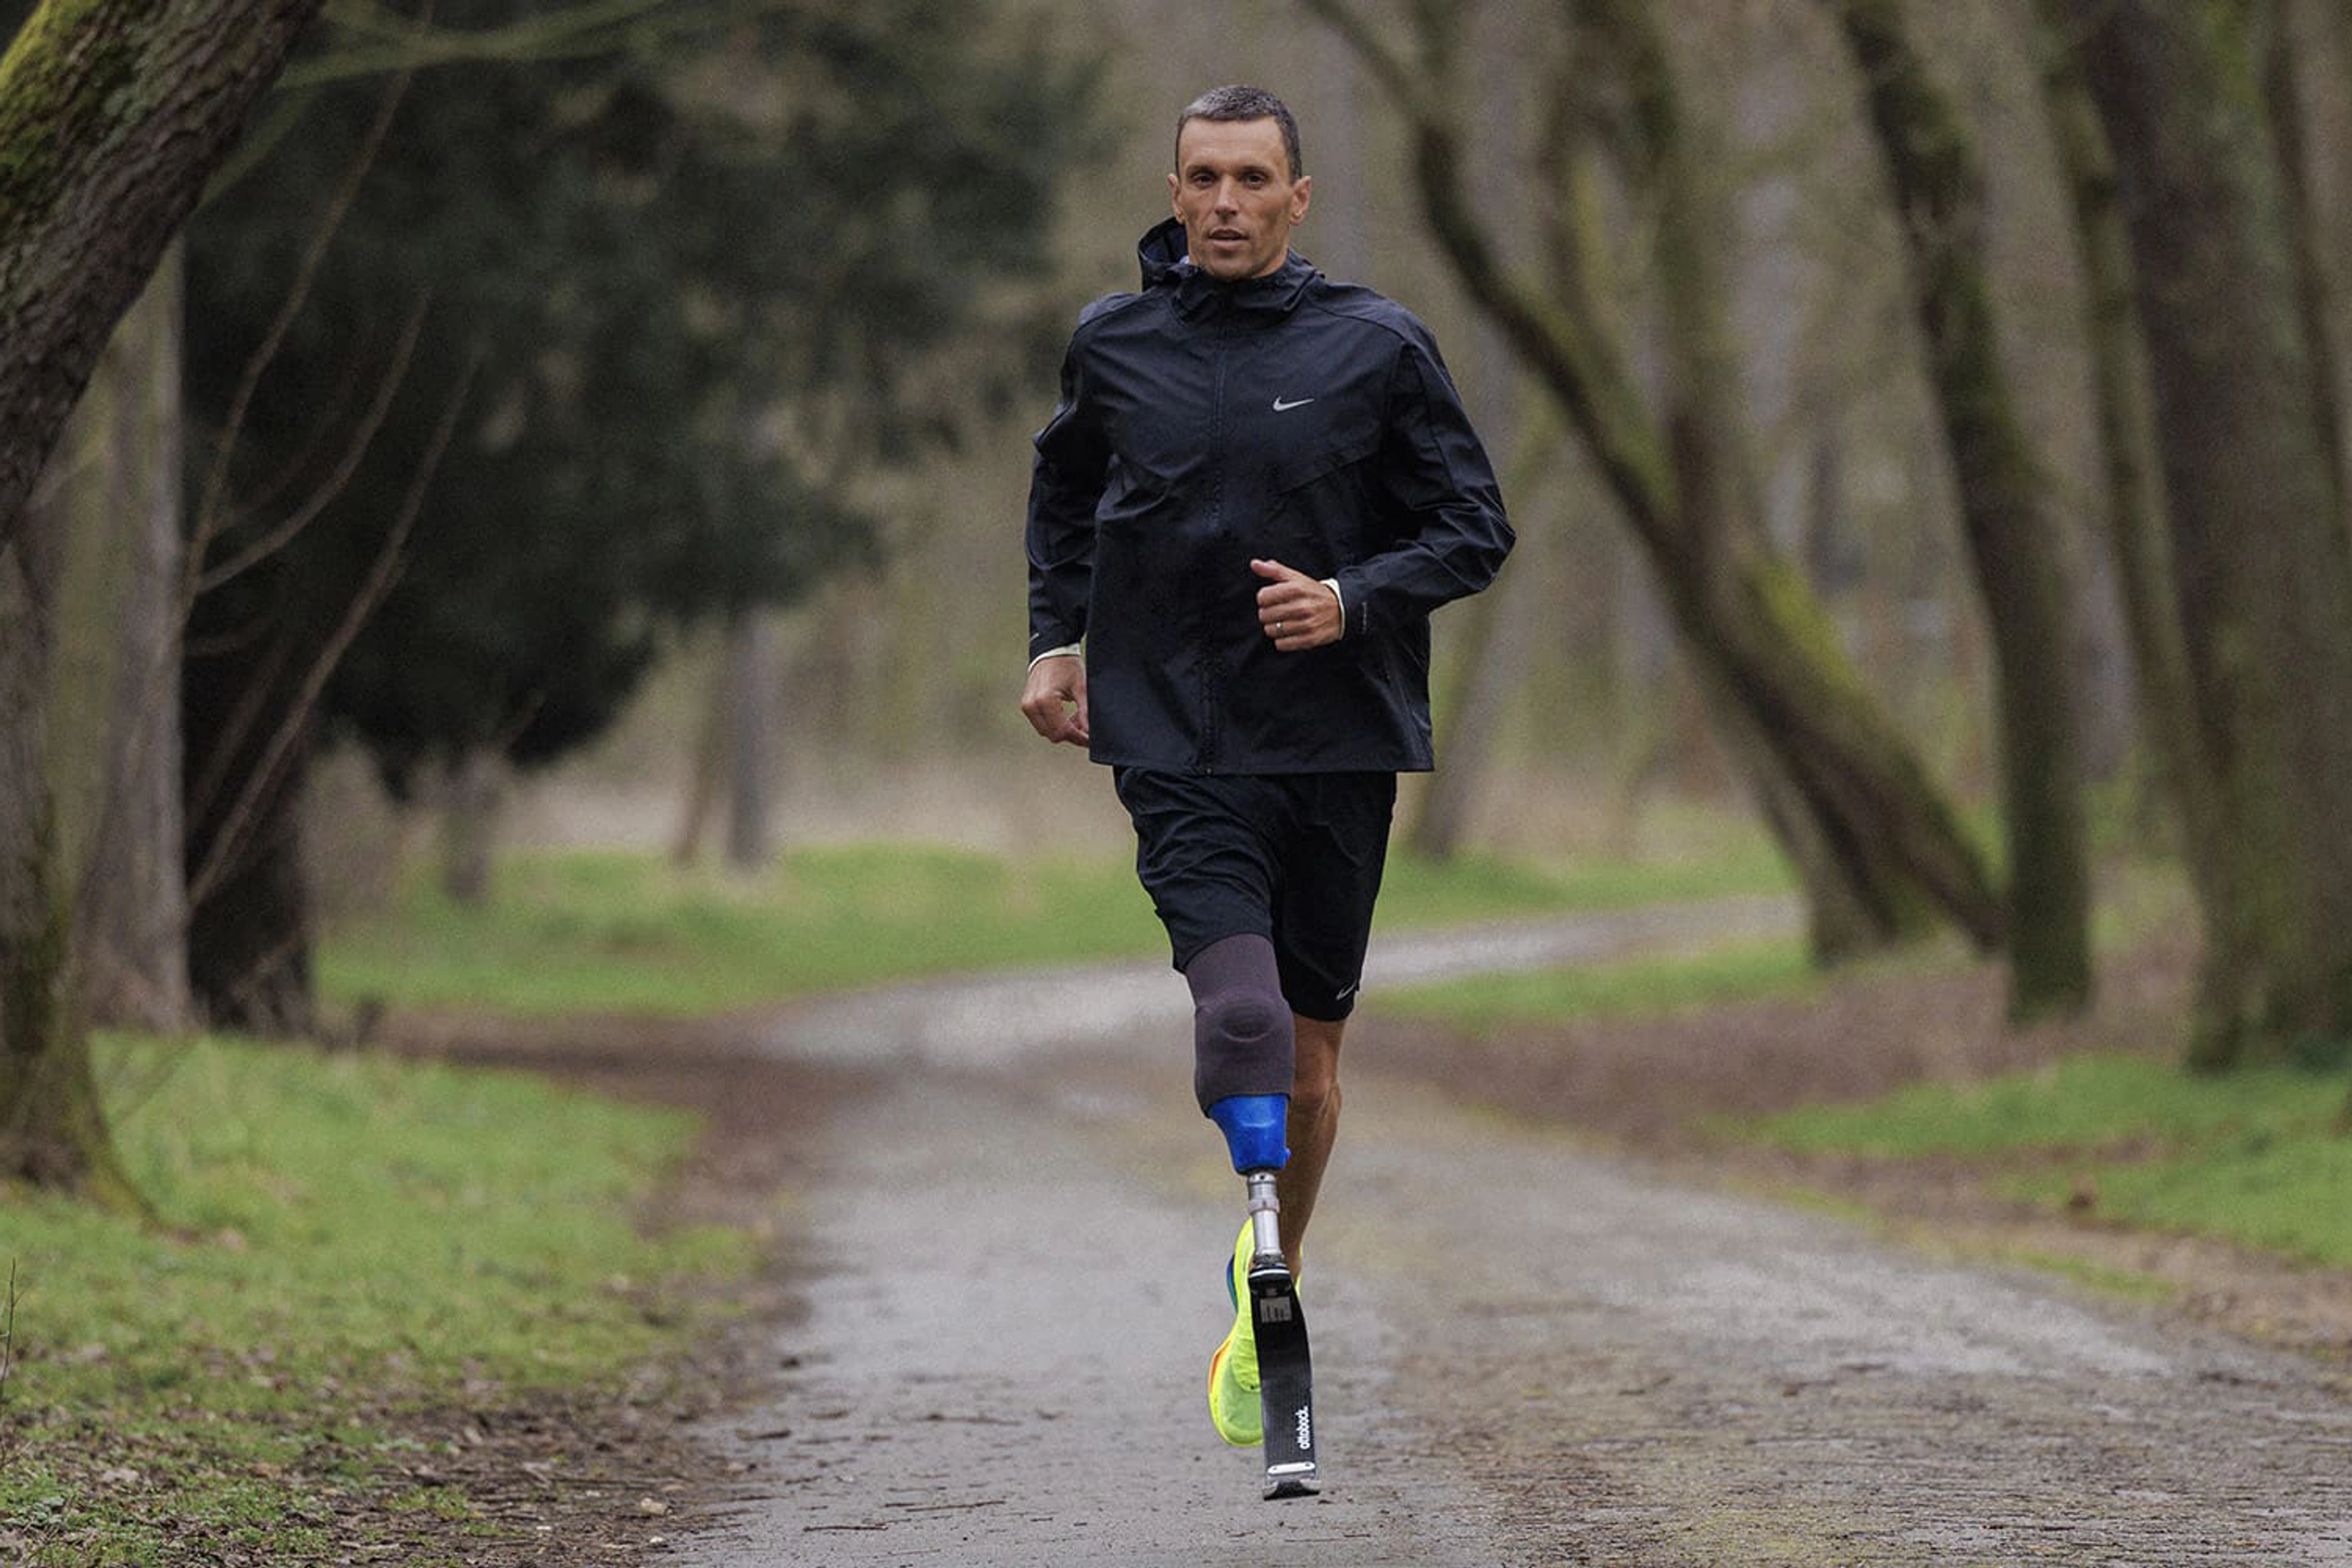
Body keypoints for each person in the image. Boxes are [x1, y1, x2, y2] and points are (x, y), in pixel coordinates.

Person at [1019, 83, 1513, 1450]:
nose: (1225, 201)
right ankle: (1273, 1265)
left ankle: (1263, 1277)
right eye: (1201, 177)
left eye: (1251, 178)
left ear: (1299, 198)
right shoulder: (1112, 345)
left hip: (1336, 739)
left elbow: (1476, 527)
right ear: (1173, 192)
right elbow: (1064, 497)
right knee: (1237, 1017)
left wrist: (1352, 595)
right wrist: (1057, 641)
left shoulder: (1378, 346)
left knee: (1306, 1065)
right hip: (1171, 736)